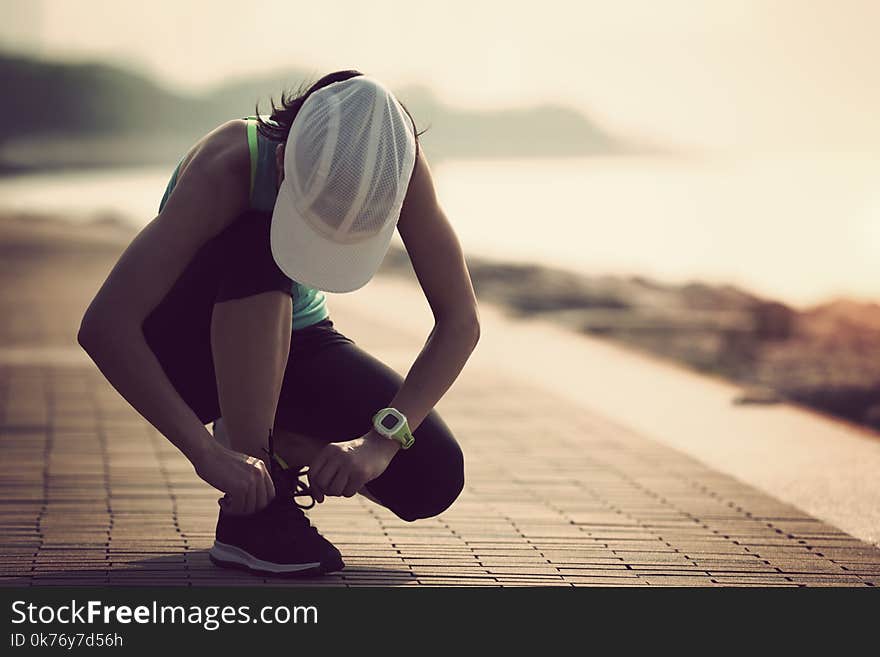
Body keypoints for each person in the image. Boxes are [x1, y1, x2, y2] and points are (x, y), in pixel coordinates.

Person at [77, 70, 481, 576]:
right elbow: (105, 326)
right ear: (285, 159)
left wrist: (378, 443)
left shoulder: (396, 165)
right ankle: (252, 512)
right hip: (186, 350)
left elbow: (460, 321)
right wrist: (206, 454)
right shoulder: (227, 167)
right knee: (258, 244)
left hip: (294, 336)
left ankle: (281, 448)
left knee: (433, 476)